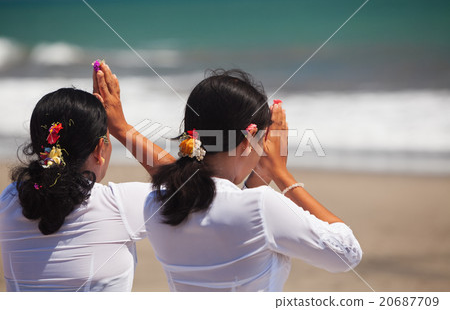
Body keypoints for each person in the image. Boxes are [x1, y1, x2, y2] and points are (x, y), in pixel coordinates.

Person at [139, 69, 362, 292]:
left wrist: (262, 174)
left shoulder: (156, 202)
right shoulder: (261, 206)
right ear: (247, 142)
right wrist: (281, 174)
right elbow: (347, 253)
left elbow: (227, 210)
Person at [0, 62, 174, 291]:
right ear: (99, 150)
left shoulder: (9, 202)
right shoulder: (118, 206)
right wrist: (121, 127)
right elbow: (192, 185)